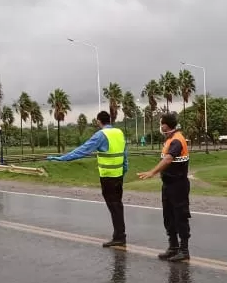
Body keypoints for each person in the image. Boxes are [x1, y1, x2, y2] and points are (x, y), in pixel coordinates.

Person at [48, 111, 128, 247]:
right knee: (118, 206)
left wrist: (62, 158)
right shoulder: (119, 133)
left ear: (99, 121)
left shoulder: (101, 135)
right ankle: (119, 235)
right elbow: (125, 153)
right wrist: (124, 169)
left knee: (114, 206)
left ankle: (119, 236)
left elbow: (83, 150)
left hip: (108, 176)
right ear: (109, 120)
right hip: (118, 175)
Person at [138, 113, 191, 261]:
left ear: (166, 125)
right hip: (167, 185)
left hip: (178, 185)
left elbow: (168, 159)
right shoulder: (169, 140)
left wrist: (152, 172)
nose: (160, 126)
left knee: (180, 216)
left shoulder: (177, 140)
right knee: (168, 217)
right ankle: (173, 247)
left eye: (161, 123)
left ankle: (184, 250)